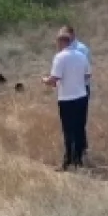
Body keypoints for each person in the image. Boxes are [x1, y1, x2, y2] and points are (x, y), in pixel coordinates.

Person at [42, 28, 91, 170]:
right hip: (82, 97)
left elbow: (54, 79)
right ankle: (79, 160)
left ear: (62, 42)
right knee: (79, 127)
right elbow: (88, 75)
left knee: (68, 130)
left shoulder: (60, 57)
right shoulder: (81, 55)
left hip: (67, 99)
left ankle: (68, 160)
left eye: (57, 42)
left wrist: (44, 80)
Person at [61, 23, 91, 102]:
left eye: (65, 35)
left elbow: (86, 72)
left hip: (81, 89)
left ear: (72, 34)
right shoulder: (63, 49)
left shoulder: (81, 49)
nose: (63, 38)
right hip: (67, 91)